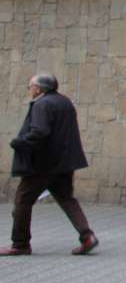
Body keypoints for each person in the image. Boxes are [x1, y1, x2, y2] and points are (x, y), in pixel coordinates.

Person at [1, 74, 98, 256]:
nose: (30, 89)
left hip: (42, 164)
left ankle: (20, 244)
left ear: (38, 88)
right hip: (64, 162)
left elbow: (40, 131)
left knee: (22, 201)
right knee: (67, 199)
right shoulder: (65, 102)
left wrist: (19, 142)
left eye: (30, 86)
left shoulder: (42, 104)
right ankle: (87, 237)